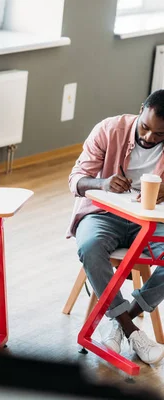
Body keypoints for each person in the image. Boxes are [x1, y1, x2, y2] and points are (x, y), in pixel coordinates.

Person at [69, 90, 164, 364]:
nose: (149, 138)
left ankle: (120, 321)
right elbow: (75, 179)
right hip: (102, 214)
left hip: (149, 221)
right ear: (141, 109)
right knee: (89, 247)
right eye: (145, 128)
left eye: (159, 135)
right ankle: (132, 330)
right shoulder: (110, 129)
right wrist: (102, 182)